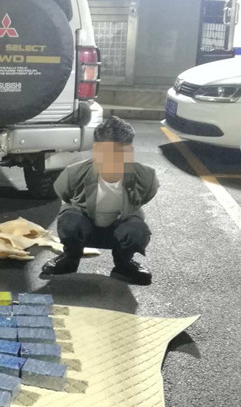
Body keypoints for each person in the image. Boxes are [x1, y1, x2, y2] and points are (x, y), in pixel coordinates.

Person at [42, 116, 159, 285]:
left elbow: (146, 196)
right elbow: (64, 193)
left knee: (137, 230)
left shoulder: (146, 176)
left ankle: (124, 264)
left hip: (119, 230)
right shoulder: (74, 173)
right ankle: (70, 258)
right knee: (70, 220)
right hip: (86, 228)